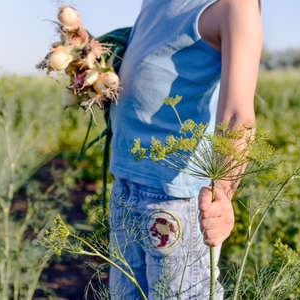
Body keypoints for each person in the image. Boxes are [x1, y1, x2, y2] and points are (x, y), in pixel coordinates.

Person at [108, 0, 263, 298]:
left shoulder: (234, 7)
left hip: (176, 197)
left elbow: (236, 116)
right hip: (125, 182)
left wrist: (224, 191)